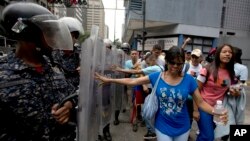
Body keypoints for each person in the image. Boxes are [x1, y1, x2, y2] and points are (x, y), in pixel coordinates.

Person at [95, 46, 227, 141]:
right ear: (167, 62)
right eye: (172, 63)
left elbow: (201, 102)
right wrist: (110, 79)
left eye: (179, 63)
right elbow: (132, 81)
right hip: (162, 125)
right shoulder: (157, 76)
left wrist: (216, 111)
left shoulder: (189, 80)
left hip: (183, 126)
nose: (176, 66)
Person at [0, 2, 76, 141]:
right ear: (30, 35)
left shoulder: (55, 68)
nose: (54, 38)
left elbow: (73, 95)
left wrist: (69, 106)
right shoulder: (3, 75)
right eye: (49, 33)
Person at [194, 44, 236, 141]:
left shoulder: (230, 72)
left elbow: (227, 89)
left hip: (218, 109)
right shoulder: (207, 69)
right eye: (224, 52)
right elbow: (196, 91)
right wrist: (195, 110)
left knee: (205, 134)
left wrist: (234, 92)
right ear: (218, 54)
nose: (227, 54)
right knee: (208, 137)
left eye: (230, 52)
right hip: (203, 107)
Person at [53, 17, 84, 90]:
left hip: (78, 93)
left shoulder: (81, 53)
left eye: (75, 36)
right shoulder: (53, 55)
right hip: (61, 94)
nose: (73, 39)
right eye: (70, 35)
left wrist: (85, 69)